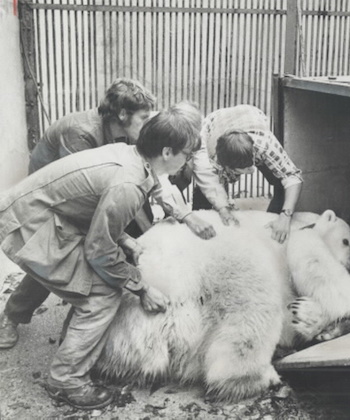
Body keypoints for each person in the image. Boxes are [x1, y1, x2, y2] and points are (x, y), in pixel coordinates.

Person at [0, 102, 202, 409]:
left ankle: (23, 323)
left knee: (69, 275)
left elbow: (94, 208)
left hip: (38, 213)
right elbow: (100, 251)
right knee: (102, 294)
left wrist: (127, 240)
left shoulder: (131, 156)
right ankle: (66, 379)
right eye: (187, 154)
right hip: (28, 224)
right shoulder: (128, 183)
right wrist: (141, 286)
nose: (189, 160)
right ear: (167, 153)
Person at [195, 105, 303, 243]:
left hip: (250, 116)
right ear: (228, 167)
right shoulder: (210, 158)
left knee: (280, 184)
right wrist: (223, 208)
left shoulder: (264, 144)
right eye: (246, 169)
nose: (252, 171)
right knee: (205, 197)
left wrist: (286, 216)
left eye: (252, 164)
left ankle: (272, 229)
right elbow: (208, 185)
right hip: (217, 123)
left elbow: (292, 176)